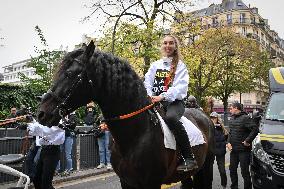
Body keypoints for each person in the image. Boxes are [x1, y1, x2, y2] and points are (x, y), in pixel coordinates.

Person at [144, 35, 197, 171]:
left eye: (171, 43)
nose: (168, 45)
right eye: (165, 43)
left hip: (174, 103)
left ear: (175, 46)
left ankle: (189, 158)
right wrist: (150, 96)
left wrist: (162, 97)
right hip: (154, 101)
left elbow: (180, 88)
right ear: (162, 45)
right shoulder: (155, 65)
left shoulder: (180, 66)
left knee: (171, 118)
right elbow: (147, 82)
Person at [227, 102, 258, 189]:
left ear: (236, 108)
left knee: (244, 172)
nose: (230, 110)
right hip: (233, 151)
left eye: (231, 108)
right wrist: (228, 142)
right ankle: (234, 187)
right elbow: (230, 133)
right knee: (232, 170)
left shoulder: (245, 118)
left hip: (244, 151)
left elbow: (255, 129)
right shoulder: (232, 119)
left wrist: (248, 140)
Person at [210, 112, 228, 189]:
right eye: (211, 118)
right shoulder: (208, 127)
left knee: (222, 170)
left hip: (220, 151)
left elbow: (227, 136)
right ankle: (208, 185)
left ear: (217, 119)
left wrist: (221, 125)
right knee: (209, 170)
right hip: (211, 152)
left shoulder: (221, 127)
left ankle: (224, 185)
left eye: (214, 118)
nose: (213, 119)